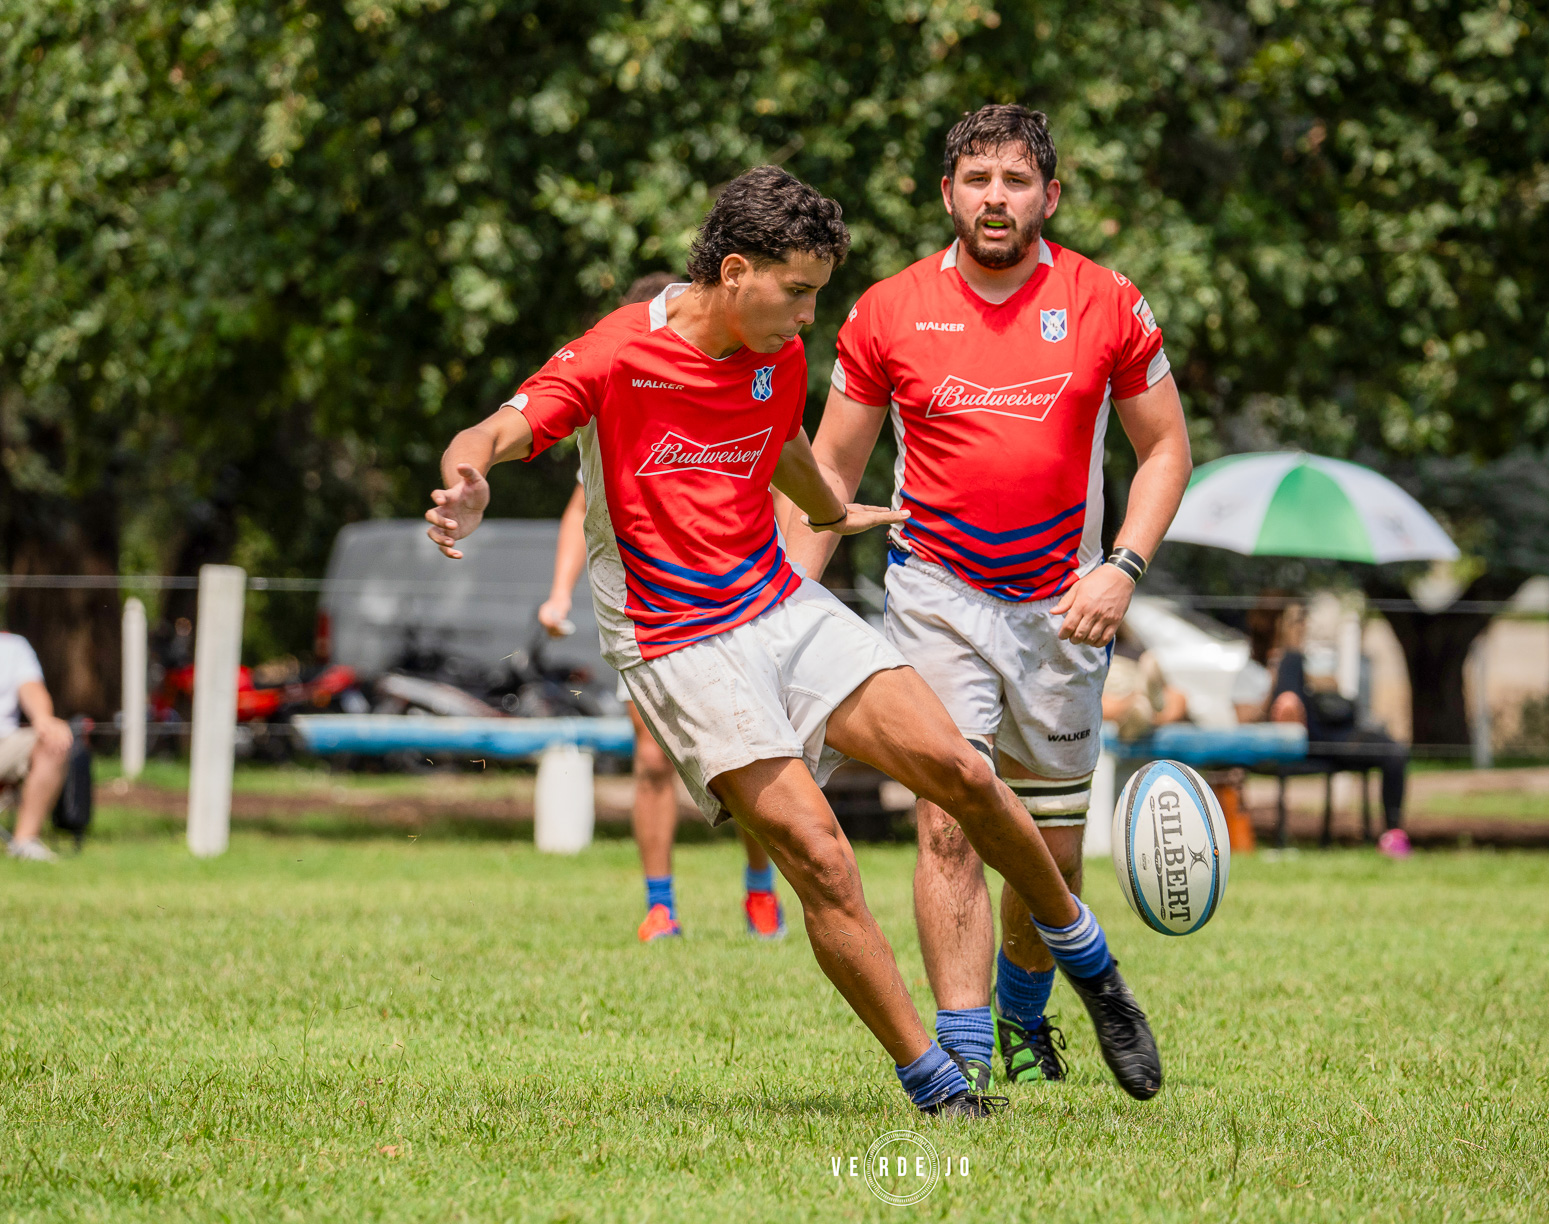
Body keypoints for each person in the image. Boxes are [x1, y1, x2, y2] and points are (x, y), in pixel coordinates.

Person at [425, 166, 1160, 1115]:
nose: (811, 316)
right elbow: (491, 431)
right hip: (675, 637)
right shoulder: (616, 354)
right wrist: (469, 481)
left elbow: (784, 446)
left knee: (964, 775)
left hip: (775, 597)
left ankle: (1090, 966)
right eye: (799, 292)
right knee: (822, 855)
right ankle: (936, 1083)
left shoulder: (773, 348)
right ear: (735, 271)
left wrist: (833, 510)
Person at [787, 105, 1192, 1090]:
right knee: (949, 816)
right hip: (935, 593)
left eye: (1016, 181)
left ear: (1050, 196)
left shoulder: (1110, 303)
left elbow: (1167, 450)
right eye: (977, 180)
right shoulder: (885, 311)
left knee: (1044, 853)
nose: (996, 198)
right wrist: (777, 610)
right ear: (948, 196)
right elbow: (826, 480)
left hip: (1064, 604)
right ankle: (965, 1057)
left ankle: (1022, 1017)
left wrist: (1122, 569)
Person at [538, 272, 787, 942]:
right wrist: (561, 594)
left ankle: (760, 889)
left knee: (751, 759)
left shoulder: (739, 383)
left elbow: (781, 472)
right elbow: (578, 508)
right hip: (649, 607)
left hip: (732, 598)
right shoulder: (618, 391)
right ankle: (660, 904)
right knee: (651, 760)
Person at [1253, 602, 1412, 855]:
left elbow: (1335, 692)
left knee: (1394, 750)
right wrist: (1291, 653)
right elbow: (1281, 706)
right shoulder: (1284, 662)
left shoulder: (1310, 662)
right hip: (1322, 741)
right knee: (1394, 753)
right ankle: (1393, 834)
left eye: (1302, 623)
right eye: (1295, 623)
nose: (1302, 627)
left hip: (1338, 733)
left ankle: (1393, 833)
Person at [0, 631, 72, 862]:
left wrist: (43, 718)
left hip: (5, 743)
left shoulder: (13, 646)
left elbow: (31, 686)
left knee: (54, 740)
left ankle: (24, 843)